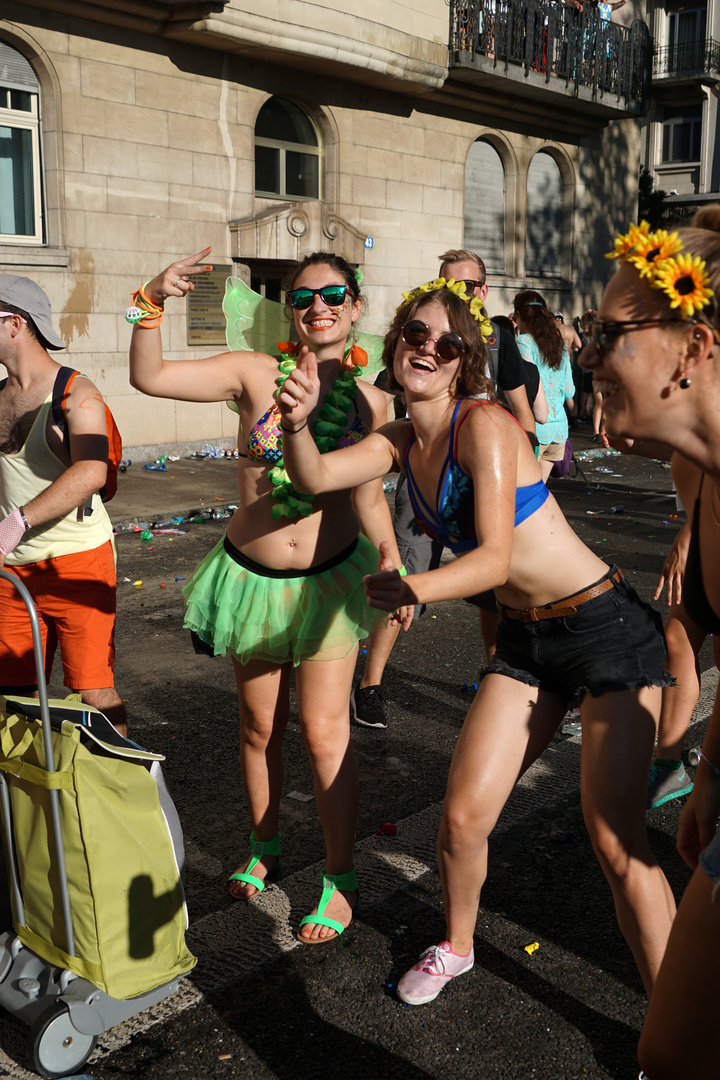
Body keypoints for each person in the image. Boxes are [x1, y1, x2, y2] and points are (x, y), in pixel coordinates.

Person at [278, 279, 676, 1004]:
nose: (427, 349)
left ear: (465, 362)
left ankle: (681, 1024)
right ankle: (457, 946)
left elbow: (493, 559)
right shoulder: (400, 439)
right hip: (528, 641)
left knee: (617, 844)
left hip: (604, 627)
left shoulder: (485, 425)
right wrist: (297, 421)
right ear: (396, 344)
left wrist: (411, 589)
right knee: (462, 821)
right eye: (415, 335)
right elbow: (313, 474)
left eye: (447, 342)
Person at [128, 248, 405, 943]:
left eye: (334, 295)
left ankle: (339, 877)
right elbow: (150, 375)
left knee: (323, 734)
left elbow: (370, 491)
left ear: (356, 305)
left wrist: (396, 557)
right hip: (250, 582)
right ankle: (265, 846)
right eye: (303, 296)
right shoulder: (255, 374)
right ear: (290, 308)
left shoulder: (373, 400)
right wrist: (149, 301)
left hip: (327, 584)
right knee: (257, 730)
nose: (319, 307)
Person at [577, 211, 720, 1080]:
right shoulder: (695, 475)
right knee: (670, 1052)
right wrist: (709, 778)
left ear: (694, 345)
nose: (588, 358)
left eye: (609, 336)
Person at [351, 250, 537, 728]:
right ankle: (369, 683)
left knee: (491, 593)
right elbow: (326, 467)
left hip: (479, 474)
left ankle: (501, 671)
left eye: (468, 288)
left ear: (484, 293)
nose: (432, 346)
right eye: (449, 285)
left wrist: (529, 464)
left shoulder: (497, 349)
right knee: (405, 570)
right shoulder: (419, 349)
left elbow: (519, 403)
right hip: (422, 479)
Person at [0, 276, 127, 735]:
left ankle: (120, 792)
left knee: (92, 693)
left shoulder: (78, 394)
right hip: (11, 572)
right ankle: (31, 799)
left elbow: (92, 471)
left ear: (15, 323)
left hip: (77, 562)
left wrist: (17, 521)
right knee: (14, 693)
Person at [647, 453, 720, 809]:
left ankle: (712, 776)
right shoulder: (684, 447)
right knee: (677, 640)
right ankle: (668, 765)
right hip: (706, 533)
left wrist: (690, 533)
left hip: (707, 533)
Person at [513, 290, 575, 482]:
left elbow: (524, 386)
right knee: (538, 491)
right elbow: (569, 390)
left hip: (535, 428)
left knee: (522, 491)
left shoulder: (524, 342)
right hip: (559, 430)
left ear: (520, 316)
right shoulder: (560, 345)